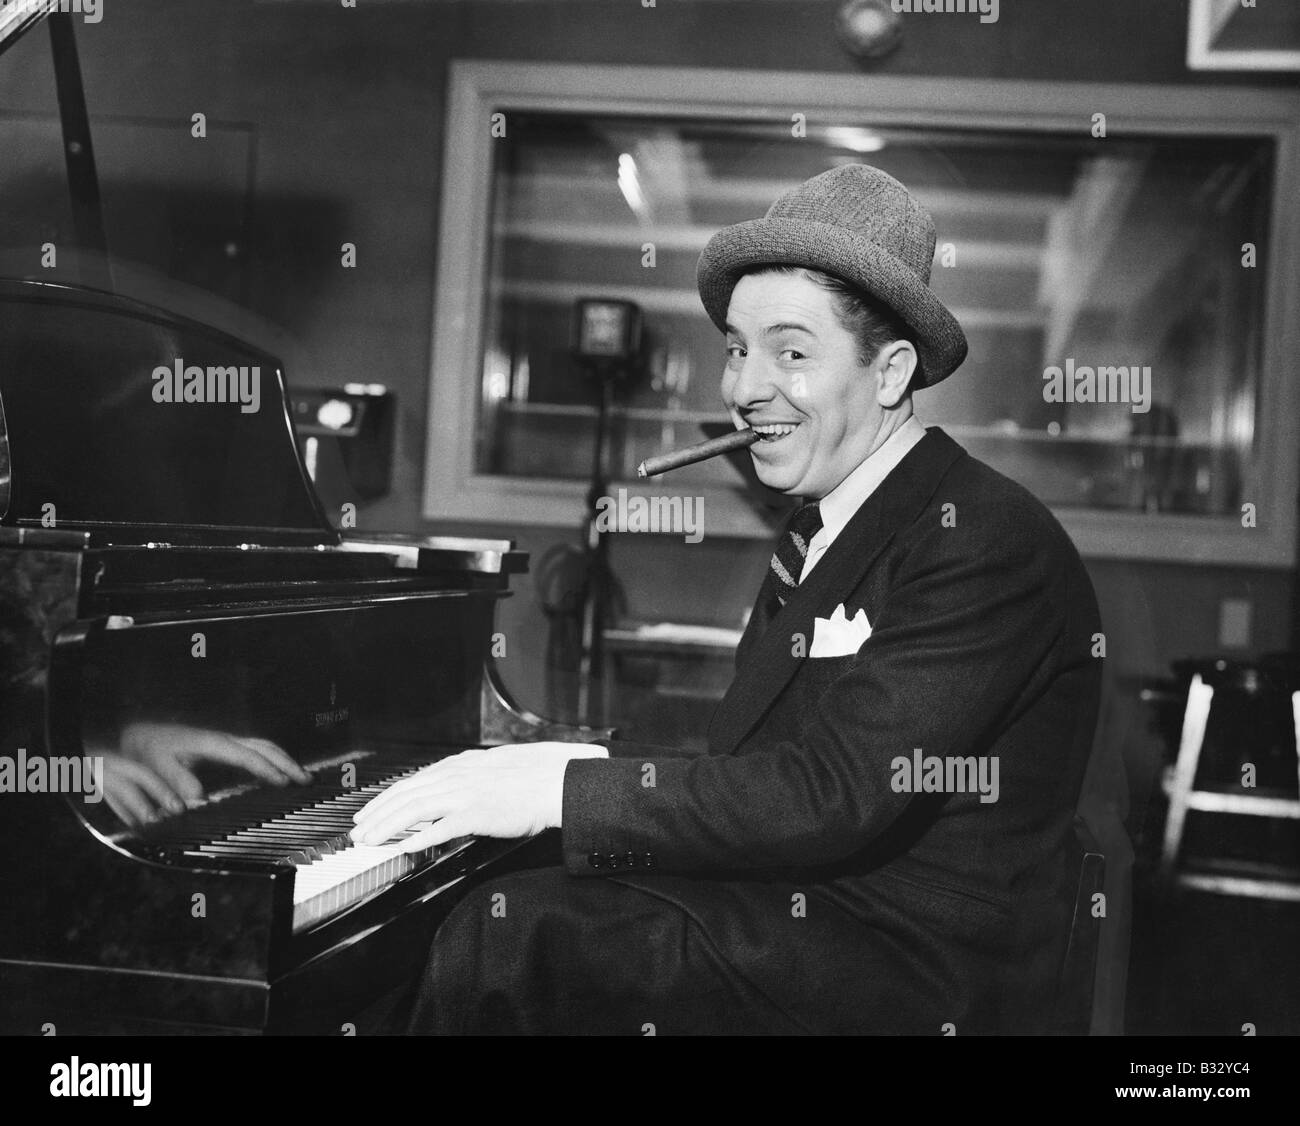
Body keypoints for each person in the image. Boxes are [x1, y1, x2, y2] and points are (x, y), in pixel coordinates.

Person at [351, 164, 1103, 1035]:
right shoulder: (821, 526)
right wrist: (562, 764)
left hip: (914, 969)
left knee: (514, 935)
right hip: (820, 909)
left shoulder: (983, 537)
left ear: (891, 373)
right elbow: (754, 768)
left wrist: (563, 787)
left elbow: (828, 796)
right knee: (504, 886)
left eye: (792, 352)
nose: (744, 389)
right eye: (739, 349)